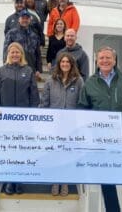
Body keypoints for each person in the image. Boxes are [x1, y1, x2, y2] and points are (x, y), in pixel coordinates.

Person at [78, 46, 122, 212]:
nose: (105, 61)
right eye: (101, 58)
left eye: (108, 58)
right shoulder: (90, 83)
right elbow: (83, 109)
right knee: (107, 180)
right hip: (104, 141)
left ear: (114, 60)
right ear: (97, 61)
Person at [0, 42, 40, 195]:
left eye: (18, 52)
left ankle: (19, 180)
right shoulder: (0, 71)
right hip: (5, 119)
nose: (15, 55)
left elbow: (34, 94)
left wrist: (33, 115)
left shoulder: (28, 71)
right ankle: (9, 180)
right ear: (8, 54)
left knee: (21, 149)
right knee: (8, 149)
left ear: (22, 54)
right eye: (12, 52)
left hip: (24, 118)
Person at [40, 52, 84, 196]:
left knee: (67, 154)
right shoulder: (50, 81)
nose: (65, 64)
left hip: (71, 125)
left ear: (72, 64)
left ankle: (64, 182)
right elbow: (44, 103)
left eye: (67, 62)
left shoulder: (79, 81)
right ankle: (55, 181)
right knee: (55, 154)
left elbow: (81, 103)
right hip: (54, 125)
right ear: (59, 64)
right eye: (62, 62)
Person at [3, 9, 42, 80]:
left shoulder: (34, 36)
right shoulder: (11, 33)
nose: (25, 20)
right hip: (15, 67)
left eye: (27, 18)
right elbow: (6, 50)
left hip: (31, 67)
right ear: (19, 19)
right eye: (23, 18)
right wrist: (6, 65)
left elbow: (37, 54)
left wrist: (38, 69)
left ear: (30, 20)